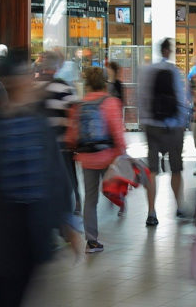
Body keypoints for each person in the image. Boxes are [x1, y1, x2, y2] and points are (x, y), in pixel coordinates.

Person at [0, 52, 80, 306]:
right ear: (13, 81)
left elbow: (54, 176)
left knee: (20, 293)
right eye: (27, 74)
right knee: (7, 295)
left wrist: (66, 223)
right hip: (3, 234)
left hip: (34, 231)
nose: (32, 79)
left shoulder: (38, 124)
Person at [66, 66, 126, 253]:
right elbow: (117, 130)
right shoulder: (110, 102)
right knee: (113, 187)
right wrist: (122, 152)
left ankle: (91, 241)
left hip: (87, 158)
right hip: (108, 157)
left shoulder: (79, 105)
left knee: (90, 199)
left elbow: (71, 136)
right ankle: (117, 202)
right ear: (104, 82)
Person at [137, 38, 189, 226]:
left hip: (152, 126)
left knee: (152, 169)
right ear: (168, 51)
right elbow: (181, 98)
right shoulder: (175, 71)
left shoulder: (146, 71)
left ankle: (151, 212)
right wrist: (182, 123)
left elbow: (141, 98)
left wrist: (144, 122)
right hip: (173, 127)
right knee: (176, 168)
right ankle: (179, 207)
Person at [37, 51, 81, 214]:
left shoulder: (33, 86)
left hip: (41, 145)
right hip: (61, 143)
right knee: (69, 176)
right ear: (57, 67)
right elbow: (73, 110)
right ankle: (75, 203)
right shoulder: (63, 86)